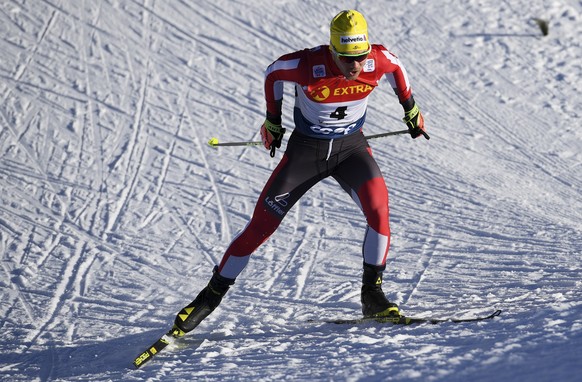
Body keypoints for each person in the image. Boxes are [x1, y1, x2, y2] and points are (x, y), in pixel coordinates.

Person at [171, 9, 428, 337]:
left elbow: (397, 67)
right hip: (307, 152)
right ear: (332, 50)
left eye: (361, 57)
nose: (356, 66)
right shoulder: (307, 66)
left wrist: (411, 109)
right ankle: (208, 298)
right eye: (347, 59)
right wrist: (272, 120)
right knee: (261, 226)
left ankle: (373, 297)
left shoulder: (377, 60)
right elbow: (273, 74)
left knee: (379, 211)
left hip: (352, 150)